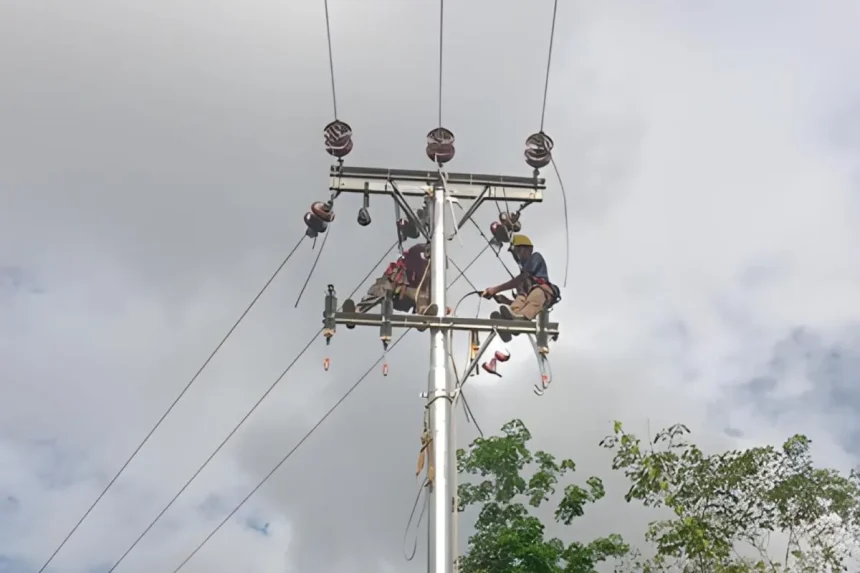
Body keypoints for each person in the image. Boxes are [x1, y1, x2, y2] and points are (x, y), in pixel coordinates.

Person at [481, 234, 559, 328]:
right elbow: (524, 301)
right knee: (521, 297)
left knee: (536, 293)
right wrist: (506, 301)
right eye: (515, 252)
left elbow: (521, 278)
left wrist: (495, 289)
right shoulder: (524, 282)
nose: (517, 255)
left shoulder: (535, 257)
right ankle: (511, 318)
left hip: (543, 291)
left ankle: (519, 318)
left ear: (528, 249)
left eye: (518, 250)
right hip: (529, 295)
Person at [354, 243, 433, 314]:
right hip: (399, 291)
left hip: (412, 296)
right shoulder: (418, 250)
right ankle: (357, 310)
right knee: (382, 288)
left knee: (423, 296)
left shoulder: (435, 266)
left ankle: (425, 311)